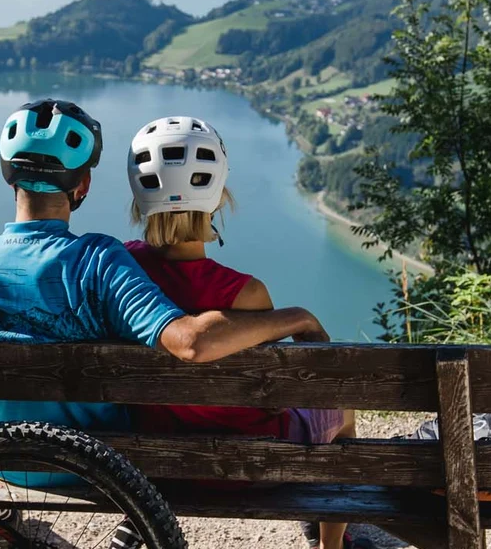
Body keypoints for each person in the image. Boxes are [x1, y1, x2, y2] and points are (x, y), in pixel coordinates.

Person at [0, 98, 330, 441]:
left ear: (9, 177)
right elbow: (189, 342)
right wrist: (297, 317)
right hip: (92, 461)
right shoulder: (98, 262)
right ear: (83, 184)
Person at [119, 116, 364, 549]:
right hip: (254, 467)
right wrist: (299, 317)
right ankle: (332, 545)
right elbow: (272, 391)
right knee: (342, 413)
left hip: (152, 463)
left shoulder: (120, 270)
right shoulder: (246, 294)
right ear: (217, 196)